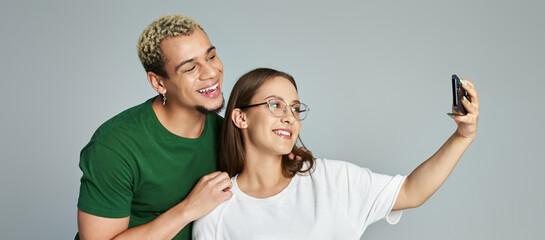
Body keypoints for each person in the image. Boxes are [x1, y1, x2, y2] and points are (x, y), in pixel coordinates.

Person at [193, 68, 480, 239]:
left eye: (294, 108)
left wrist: (462, 137)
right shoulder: (216, 211)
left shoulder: (331, 180)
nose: (289, 117)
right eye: (275, 105)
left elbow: (410, 192)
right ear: (240, 118)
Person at [76, 15, 234, 240]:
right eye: (190, 68)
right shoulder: (114, 147)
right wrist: (188, 209)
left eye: (211, 56)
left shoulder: (227, 133)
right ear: (159, 83)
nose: (210, 72)